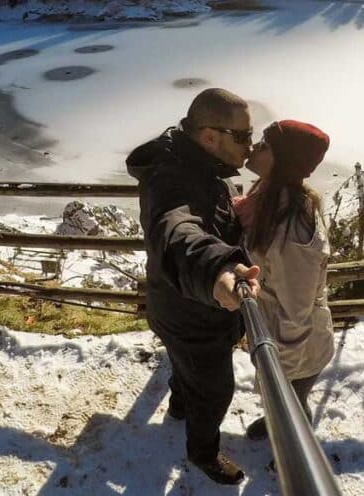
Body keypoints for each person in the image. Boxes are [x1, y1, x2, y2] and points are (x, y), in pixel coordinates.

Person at [125, 88, 261, 486]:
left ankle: (180, 404)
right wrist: (214, 268)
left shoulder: (191, 162)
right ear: (209, 136)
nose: (250, 148)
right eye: (243, 137)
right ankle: (202, 452)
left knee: (187, 368)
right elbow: (177, 229)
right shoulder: (175, 177)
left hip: (173, 305)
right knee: (215, 391)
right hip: (194, 315)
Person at [234, 119, 335, 441]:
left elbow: (297, 311)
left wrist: (278, 370)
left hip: (297, 344)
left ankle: (296, 449)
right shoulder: (268, 197)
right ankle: (275, 420)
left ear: (282, 161)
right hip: (275, 331)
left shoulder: (292, 232)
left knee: (290, 402)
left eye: (264, 145)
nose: (254, 148)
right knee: (280, 402)